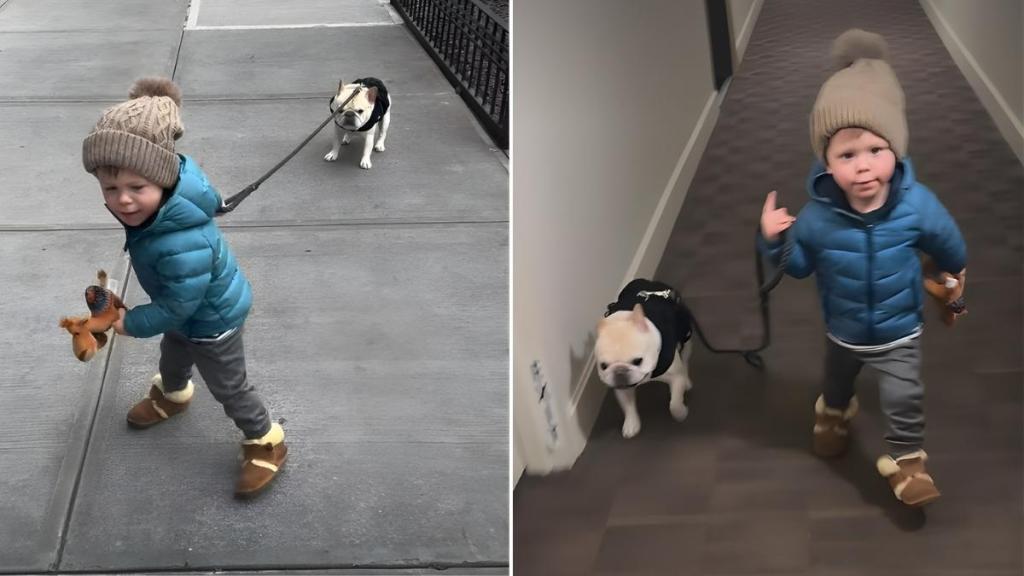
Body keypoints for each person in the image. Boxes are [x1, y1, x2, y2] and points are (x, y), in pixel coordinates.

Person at [758, 29, 966, 507]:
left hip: (900, 330)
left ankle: (908, 462)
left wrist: (951, 271)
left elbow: (948, 241)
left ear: (897, 150)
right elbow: (800, 267)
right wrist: (775, 241)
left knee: (903, 395)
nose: (864, 167)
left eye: (876, 150)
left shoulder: (917, 205)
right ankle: (834, 411)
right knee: (837, 378)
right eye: (846, 155)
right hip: (845, 328)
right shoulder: (816, 218)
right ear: (827, 163)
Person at [82, 77, 287, 498]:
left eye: (137, 188)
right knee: (173, 353)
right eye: (111, 188)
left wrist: (127, 322)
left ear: (163, 180)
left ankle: (266, 439)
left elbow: (178, 305)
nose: (122, 200)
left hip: (212, 321)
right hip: (185, 314)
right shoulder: (158, 217)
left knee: (229, 386)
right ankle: (174, 393)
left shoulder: (182, 241)